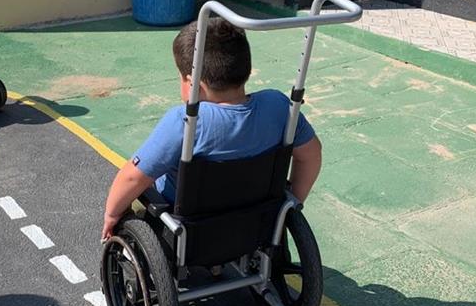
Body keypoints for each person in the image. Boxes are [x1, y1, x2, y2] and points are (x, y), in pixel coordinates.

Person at [101, 17, 322, 240]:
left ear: (193, 83)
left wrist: (112, 214)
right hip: (255, 222)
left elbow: (131, 179)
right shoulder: (278, 106)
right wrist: (291, 203)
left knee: (139, 188)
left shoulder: (184, 122)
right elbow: (311, 154)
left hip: (190, 232)